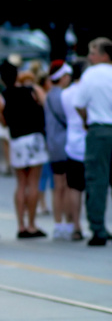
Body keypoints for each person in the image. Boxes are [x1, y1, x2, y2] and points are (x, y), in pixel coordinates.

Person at [0, 70, 49, 238]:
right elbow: (45, 104)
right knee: (33, 183)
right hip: (33, 137)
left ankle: (21, 225)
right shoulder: (30, 90)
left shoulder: (2, 96)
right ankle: (32, 224)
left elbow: (3, 122)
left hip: (17, 139)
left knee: (21, 183)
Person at [76, 37, 112, 246]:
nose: (90, 56)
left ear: (104, 55)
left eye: (93, 52)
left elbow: (79, 103)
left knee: (97, 180)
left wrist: (86, 121)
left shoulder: (91, 74)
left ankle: (97, 227)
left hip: (99, 129)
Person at [44, 62, 73, 239]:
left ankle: (57, 223)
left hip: (53, 144)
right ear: (62, 77)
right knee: (68, 186)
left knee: (57, 185)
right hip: (66, 143)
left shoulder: (47, 95)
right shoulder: (63, 96)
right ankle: (69, 223)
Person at [62, 62, 87, 241]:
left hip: (72, 142)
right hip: (88, 139)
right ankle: (96, 222)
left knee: (74, 186)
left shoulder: (66, 93)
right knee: (95, 185)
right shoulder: (85, 91)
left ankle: (76, 224)